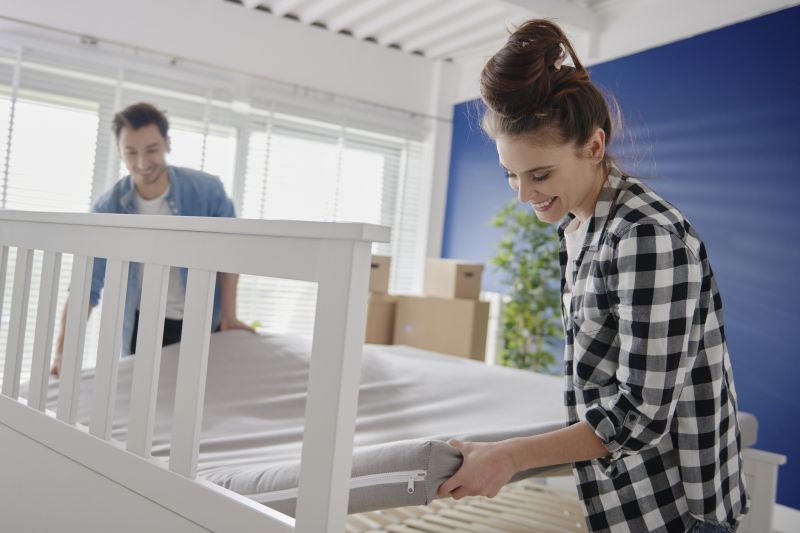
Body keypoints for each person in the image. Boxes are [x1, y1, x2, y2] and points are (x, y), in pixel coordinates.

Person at [437, 20, 748, 533]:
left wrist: (510, 456)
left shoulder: (643, 236)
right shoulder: (579, 225)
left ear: (595, 146)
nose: (523, 195)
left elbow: (640, 415)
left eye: (539, 175)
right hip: (621, 498)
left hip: (677, 508)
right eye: (511, 175)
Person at [50, 102, 254, 377]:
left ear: (167, 144)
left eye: (152, 150)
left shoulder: (207, 190)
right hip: (143, 327)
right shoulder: (108, 207)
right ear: (120, 152)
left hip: (204, 322)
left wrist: (229, 316)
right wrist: (63, 352)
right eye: (131, 152)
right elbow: (87, 284)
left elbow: (231, 254)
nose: (142, 163)